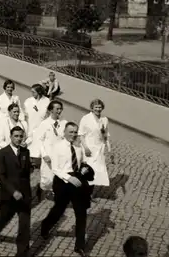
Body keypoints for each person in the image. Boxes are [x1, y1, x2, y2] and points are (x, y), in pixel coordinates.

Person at [40, 122, 94, 257]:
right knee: (59, 210)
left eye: (75, 132)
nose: (73, 135)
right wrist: (69, 179)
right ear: (64, 132)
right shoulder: (57, 147)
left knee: (81, 213)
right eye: (71, 132)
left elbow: (81, 163)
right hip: (62, 181)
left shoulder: (78, 147)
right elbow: (55, 168)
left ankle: (80, 245)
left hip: (77, 180)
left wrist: (84, 169)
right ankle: (45, 226)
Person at [0, 126, 31, 257]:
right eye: (16, 136)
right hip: (9, 195)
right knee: (4, 217)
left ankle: (22, 252)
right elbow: (1, 176)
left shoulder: (25, 152)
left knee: (24, 224)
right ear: (11, 137)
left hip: (24, 195)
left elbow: (26, 173)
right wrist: (13, 192)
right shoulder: (2, 153)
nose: (19, 139)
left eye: (21, 136)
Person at [78, 99, 113, 200]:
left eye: (100, 107)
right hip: (88, 149)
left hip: (99, 150)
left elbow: (106, 136)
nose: (98, 109)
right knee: (87, 171)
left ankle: (89, 194)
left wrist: (110, 150)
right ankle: (83, 192)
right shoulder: (86, 118)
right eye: (96, 107)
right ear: (92, 108)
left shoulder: (104, 119)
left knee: (96, 172)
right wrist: (86, 148)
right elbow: (81, 135)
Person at [33, 100, 66, 201]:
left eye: (60, 109)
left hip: (59, 154)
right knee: (47, 177)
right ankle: (42, 188)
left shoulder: (64, 123)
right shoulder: (45, 124)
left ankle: (54, 192)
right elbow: (39, 140)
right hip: (48, 153)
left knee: (59, 175)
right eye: (57, 109)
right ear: (51, 110)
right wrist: (44, 154)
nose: (59, 111)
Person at [24, 84, 50, 167]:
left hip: (41, 124)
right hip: (31, 123)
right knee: (30, 141)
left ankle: (38, 160)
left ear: (39, 92)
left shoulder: (46, 101)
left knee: (39, 142)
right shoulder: (28, 101)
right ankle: (30, 160)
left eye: (33, 92)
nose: (32, 94)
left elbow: (46, 113)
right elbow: (25, 112)